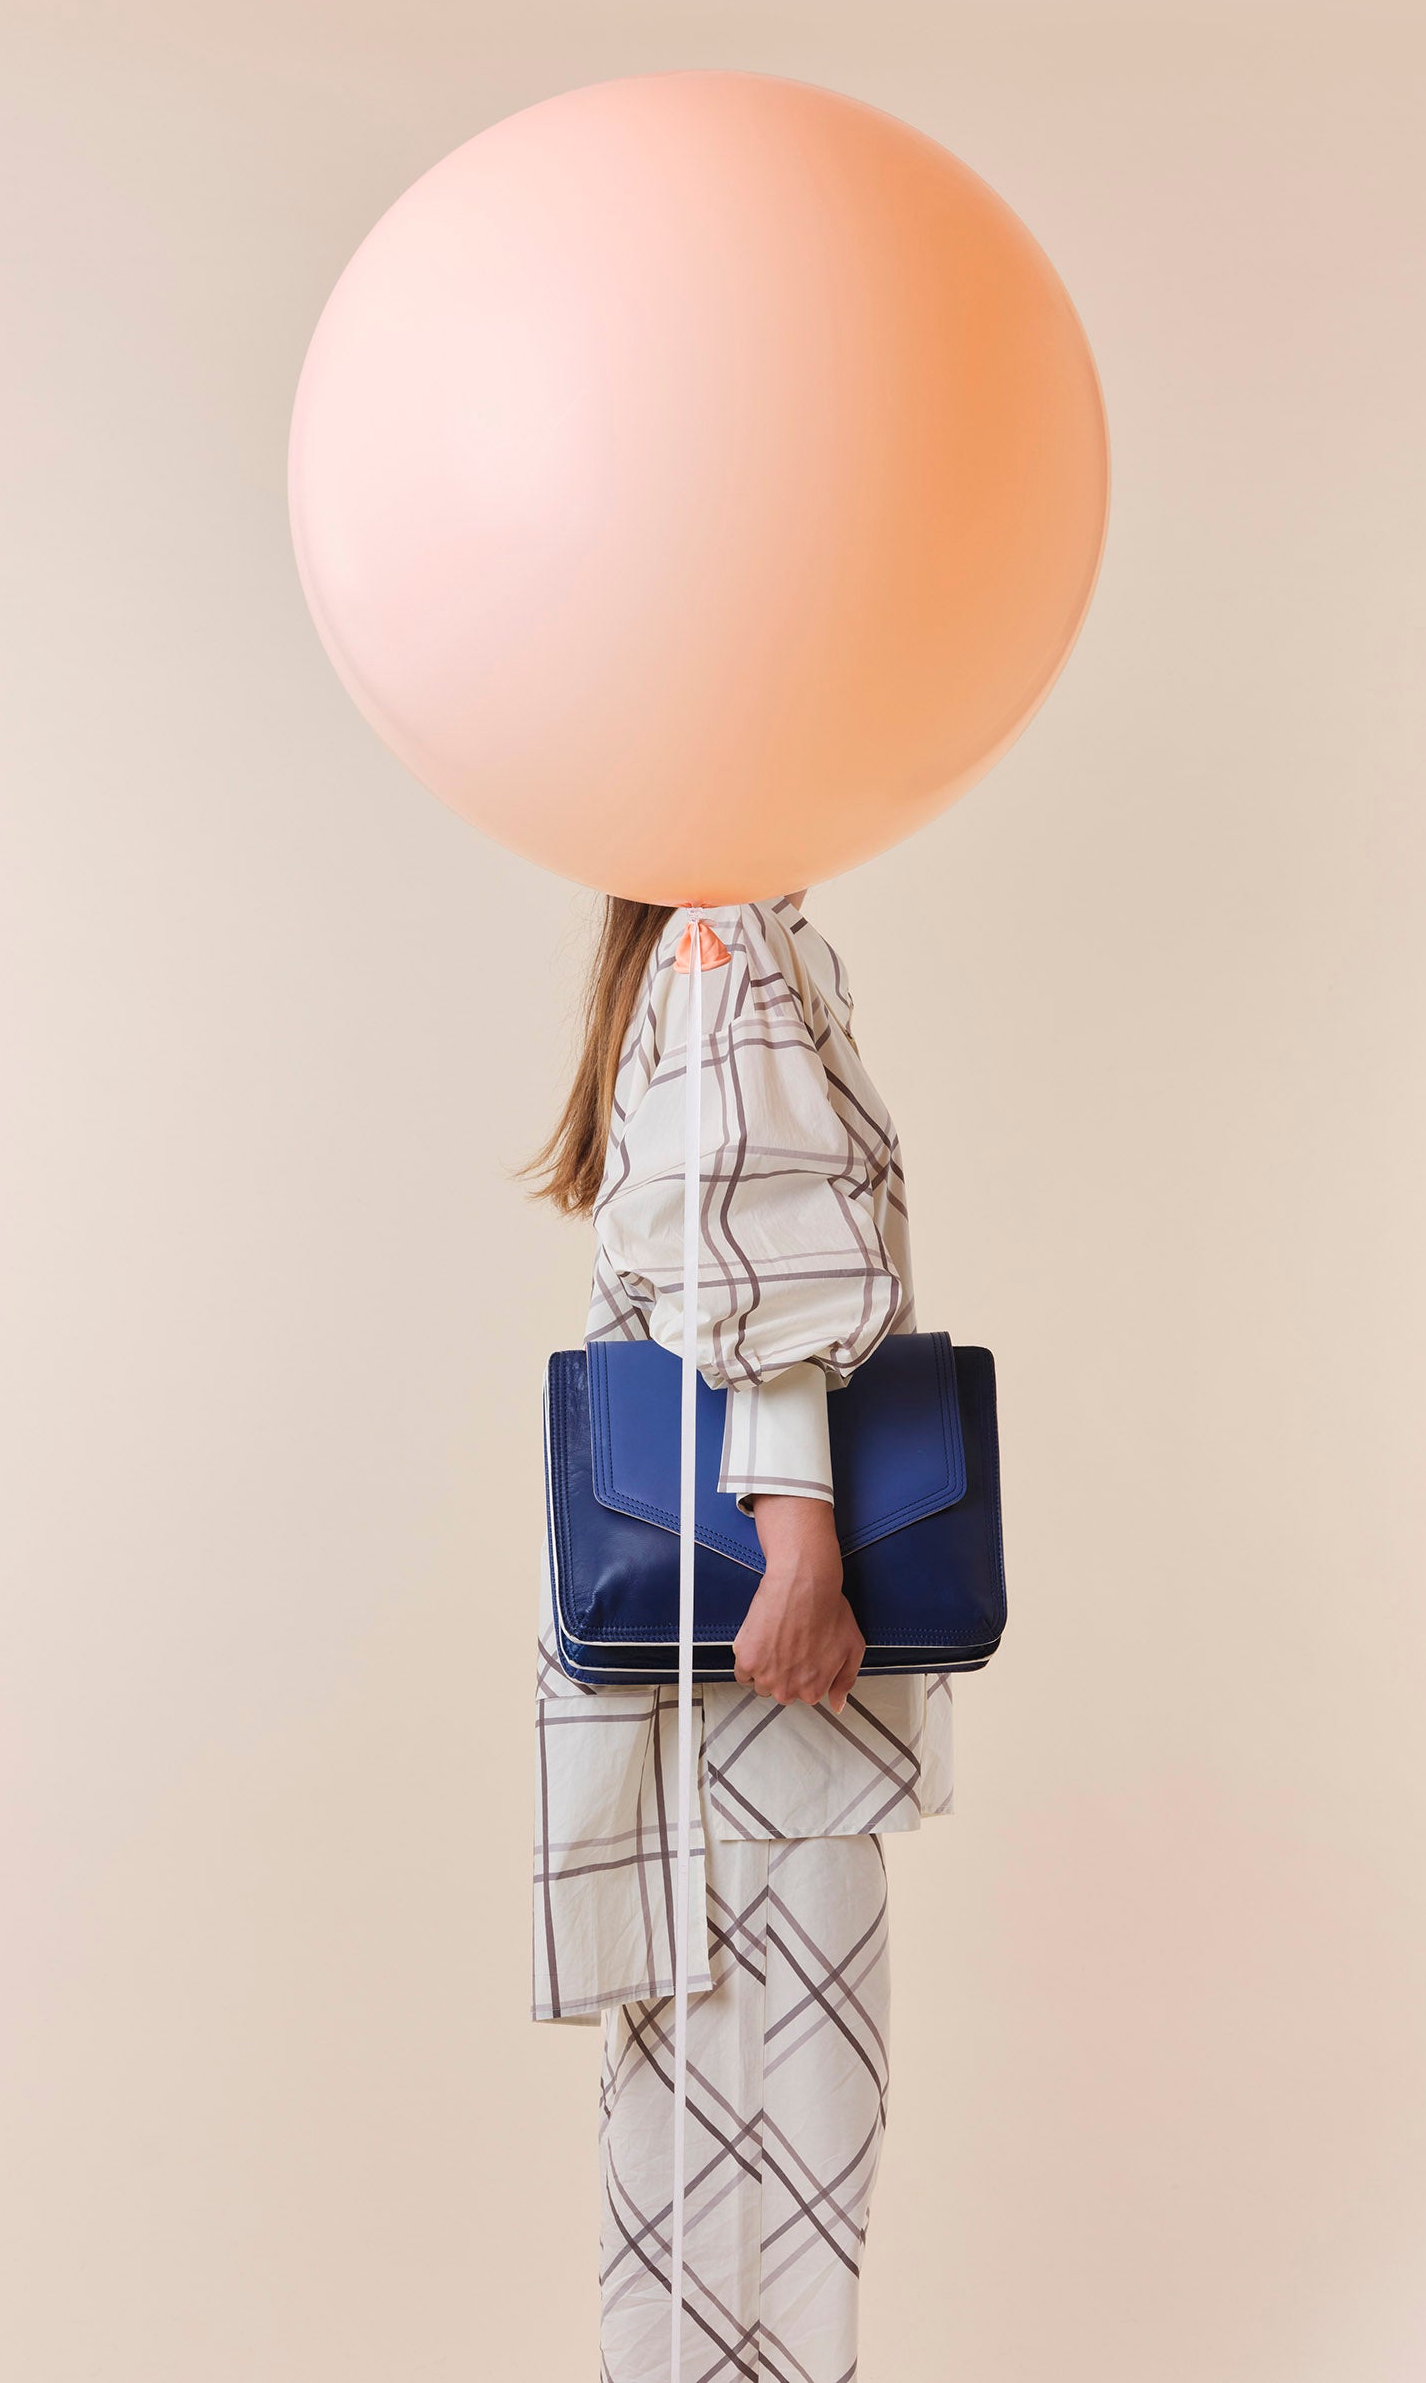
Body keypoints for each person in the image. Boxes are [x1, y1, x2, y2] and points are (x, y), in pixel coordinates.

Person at [526, 892, 954, 2381]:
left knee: (692, 2144)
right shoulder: (732, 936)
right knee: (780, 2146)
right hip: (756, 1678)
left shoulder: (694, 939)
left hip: (707, 1697)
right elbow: (750, 1253)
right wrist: (801, 1548)